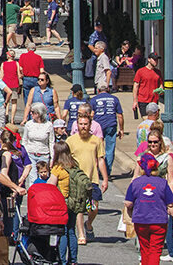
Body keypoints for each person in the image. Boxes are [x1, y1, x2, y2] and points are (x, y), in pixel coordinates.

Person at [126, 153, 173, 265]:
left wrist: (131, 214)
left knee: (144, 249)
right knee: (155, 251)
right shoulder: (162, 183)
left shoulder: (136, 183)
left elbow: (128, 203)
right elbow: (171, 205)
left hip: (140, 221)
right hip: (159, 221)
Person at [67, 113, 107, 244]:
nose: (83, 127)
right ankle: (81, 234)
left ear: (90, 125)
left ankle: (88, 223)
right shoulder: (71, 140)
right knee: (79, 207)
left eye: (85, 124)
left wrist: (105, 179)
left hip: (92, 180)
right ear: (77, 125)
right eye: (80, 124)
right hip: (77, 181)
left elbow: (100, 160)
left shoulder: (96, 140)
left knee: (93, 207)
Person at [50, 143, 80, 265]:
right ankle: (73, 260)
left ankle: (62, 260)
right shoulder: (75, 165)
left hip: (62, 203)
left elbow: (50, 185)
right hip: (74, 202)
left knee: (62, 231)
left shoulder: (58, 168)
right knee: (72, 231)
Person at [89, 84, 124, 176]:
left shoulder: (93, 100)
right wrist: (122, 129)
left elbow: (91, 115)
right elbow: (120, 115)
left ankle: (97, 170)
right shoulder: (115, 99)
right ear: (108, 89)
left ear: (98, 90)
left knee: (97, 148)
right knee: (110, 149)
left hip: (98, 126)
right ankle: (107, 172)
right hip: (111, 125)